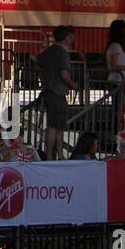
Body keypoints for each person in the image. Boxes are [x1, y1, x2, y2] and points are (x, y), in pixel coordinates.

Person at [38, 26, 76, 160]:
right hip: (58, 93)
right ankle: (51, 156)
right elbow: (64, 74)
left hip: (48, 92)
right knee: (55, 127)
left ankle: (59, 154)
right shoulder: (63, 53)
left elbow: (39, 67)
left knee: (56, 126)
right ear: (66, 37)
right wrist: (73, 84)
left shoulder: (48, 51)